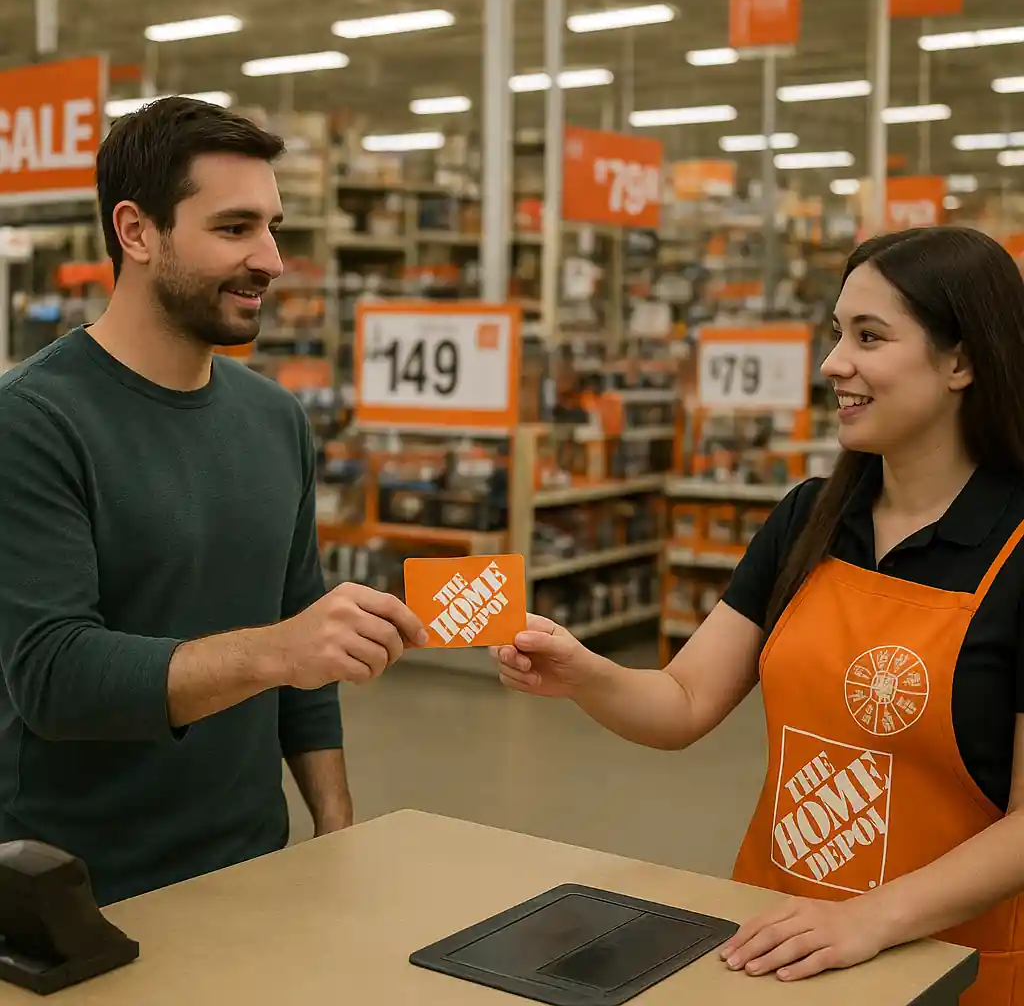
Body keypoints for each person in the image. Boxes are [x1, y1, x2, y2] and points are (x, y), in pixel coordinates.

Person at [495, 226, 1024, 1005]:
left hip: (947, 968)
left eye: (869, 337)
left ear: (961, 362)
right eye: (836, 332)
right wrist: (583, 673)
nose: (832, 362)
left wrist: (872, 918)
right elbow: (684, 702)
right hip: (773, 945)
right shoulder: (810, 519)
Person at [0, 97, 427, 906]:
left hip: (254, 869)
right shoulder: (33, 422)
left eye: (272, 228)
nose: (271, 259)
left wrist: (335, 826)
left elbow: (305, 637)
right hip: (78, 892)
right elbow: (54, 674)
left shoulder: (275, 420)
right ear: (136, 232)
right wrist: (280, 650)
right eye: (235, 229)